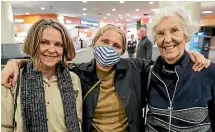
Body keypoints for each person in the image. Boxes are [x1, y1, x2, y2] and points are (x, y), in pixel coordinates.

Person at [1, 24, 210, 132]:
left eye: (116, 46)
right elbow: (49, 60)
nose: (109, 48)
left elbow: (167, 62)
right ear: (94, 43)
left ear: (122, 52)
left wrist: (191, 55)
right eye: (105, 41)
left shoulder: (135, 68)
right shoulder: (79, 73)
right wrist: (16, 63)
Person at [1, 19, 82, 132]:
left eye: (58, 44)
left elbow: (77, 121)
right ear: (33, 44)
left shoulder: (73, 79)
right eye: (44, 42)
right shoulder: (14, 78)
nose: (52, 50)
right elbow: (4, 126)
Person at [144, 5, 215, 131]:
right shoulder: (149, 73)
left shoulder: (208, 72)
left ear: (186, 35)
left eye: (174, 30)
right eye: (160, 33)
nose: (167, 40)